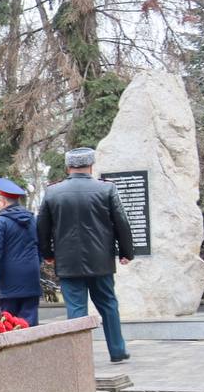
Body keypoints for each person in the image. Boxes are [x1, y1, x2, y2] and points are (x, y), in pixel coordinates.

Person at [37, 147, 134, 362]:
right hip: (101, 261)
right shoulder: (106, 189)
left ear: (68, 167)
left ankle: (80, 358)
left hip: (68, 262)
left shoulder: (53, 192)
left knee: (76, 310)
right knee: (108, 305)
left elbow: (42, 228)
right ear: (91, 166)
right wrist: (126, 252)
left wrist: (47, 253)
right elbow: (121, 222)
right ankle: (117, 350)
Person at [0, 177, 41, 327]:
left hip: (7, 282)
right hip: (31, 278)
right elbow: (39, 247)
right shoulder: (32, 219)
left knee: (8, 324)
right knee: (30, 325)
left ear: (3, 202)